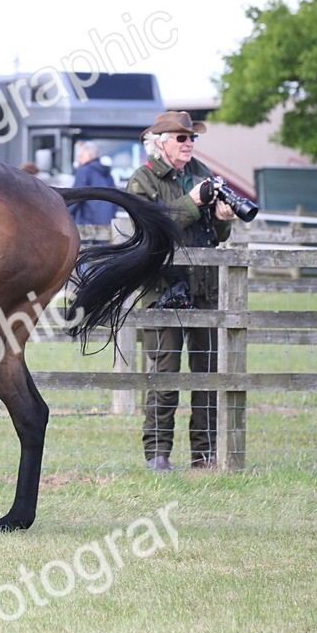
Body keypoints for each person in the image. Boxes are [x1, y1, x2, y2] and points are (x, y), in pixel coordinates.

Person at [127, 111, 236, 472]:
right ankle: (157, 454)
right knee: (166, 377)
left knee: (207, 377)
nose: (189, 143)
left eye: (192, 138)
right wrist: (192, 201)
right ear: (160, 143)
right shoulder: (143, 180)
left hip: (204, 287)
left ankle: (204, 455)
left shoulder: (203, 174)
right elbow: (153, 230)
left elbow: (213, 237)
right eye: (181, 138)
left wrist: (222, 221)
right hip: (163, 291)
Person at [68, 142, 117, 226]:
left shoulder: (83, 170)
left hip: (86, 221)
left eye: (81, 156)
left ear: (89, 156)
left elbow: (75, 195)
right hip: (106, 221)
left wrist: (65, 212)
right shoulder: (107, 173)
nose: (78, 159)